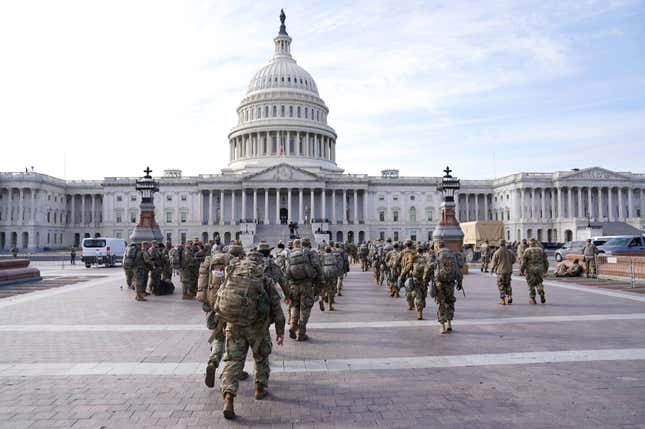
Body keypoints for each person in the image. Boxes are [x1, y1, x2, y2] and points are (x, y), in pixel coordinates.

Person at [218, 257, 285, 419]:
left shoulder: (232, 276)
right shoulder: (264, 280)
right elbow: (276, 306)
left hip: (234, 325)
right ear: (258, 265)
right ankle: (260, 388)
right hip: (258, 327)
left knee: (233, 361)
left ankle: (228, 395)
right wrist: (280, 331)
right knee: (261, 357)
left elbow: (219, 299)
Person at [285, 239, 318, 341]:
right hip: (306, 285)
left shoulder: (290, 254)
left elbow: (286, 272)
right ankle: (301, 333)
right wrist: (319, 280)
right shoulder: (307, 253)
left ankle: (292, 326)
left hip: (294, 286)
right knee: (305, 309)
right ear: (301, 245)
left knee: (295, 306)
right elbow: (316, 266)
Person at [432, 241, 459, 334]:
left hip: (440, 283)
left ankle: (442, 327)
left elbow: (433, 268)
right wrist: (460, 282)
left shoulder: (437, 254)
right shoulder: (451, 254)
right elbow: (457, 269)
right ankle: (450, 324)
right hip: (451, 283)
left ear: (438, 246)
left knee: (441, 303)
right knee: (450, 302)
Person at [522, 238, 549, 304]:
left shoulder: (527, 250)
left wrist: (522, 270)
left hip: (530, 269)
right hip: (540, 269)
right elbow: (546, 261)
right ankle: (541, 293)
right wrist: (545, 270)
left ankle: (533, 299)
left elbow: (524, 262)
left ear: (529, 243)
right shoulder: (541, 250)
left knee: (531, 284)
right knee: (539, 282)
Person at [490, 239, 516, 305]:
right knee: (508, 284)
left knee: (501, 285)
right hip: (508, 271)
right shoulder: (510, 252)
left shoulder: (497, 252)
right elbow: (513, 260)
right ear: (505, 244)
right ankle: (510, 296)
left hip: (500, 271)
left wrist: (491, 269)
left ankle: (502, 300)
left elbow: (493, 262)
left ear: (499, 244)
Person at [399, 240, 417, 311]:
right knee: (414, 287)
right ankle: (414, 301)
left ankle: (410, 304)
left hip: (406, 272)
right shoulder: (415, 252)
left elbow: (397, 260)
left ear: (405, 245)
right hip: (414, 272)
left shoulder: (403, 252)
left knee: (408, 288)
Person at [319, 246, 339, 311]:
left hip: (324, 271)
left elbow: (319, 264)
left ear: (325, 250)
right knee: (331, 289)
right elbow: (336, 263)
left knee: (323, 287)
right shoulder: (333, 256)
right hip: (332, 271)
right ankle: (330, 306)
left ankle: (321, 299)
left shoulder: (322, 256)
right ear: (331, 250)